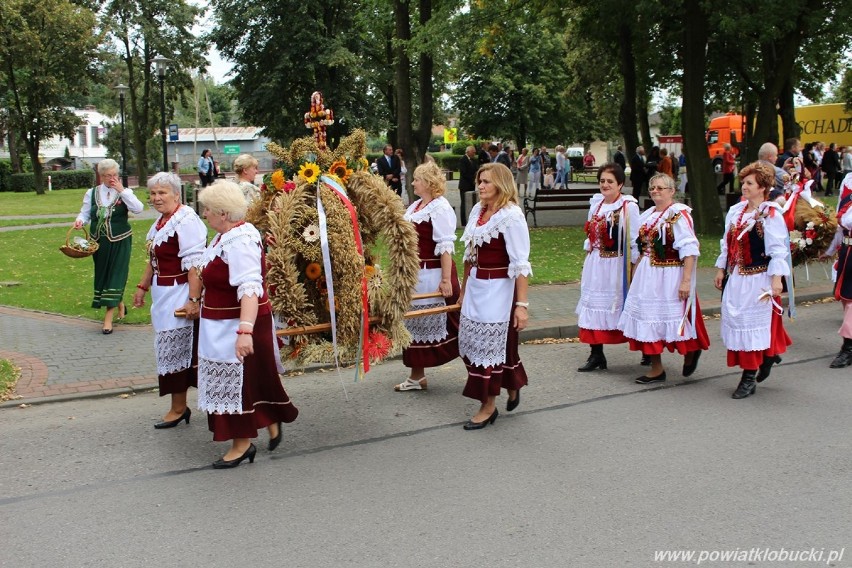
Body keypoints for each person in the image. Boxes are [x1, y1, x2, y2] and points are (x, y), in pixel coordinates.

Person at [197, 180, 299, 468]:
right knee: (249, 382)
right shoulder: (224, 237)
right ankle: (269, 421)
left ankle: (241, 445)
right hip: (218, 324)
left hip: (236, 323)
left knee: (240, 385)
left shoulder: (240, 241)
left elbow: (250, 289)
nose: (205, 214)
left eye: (208, 209)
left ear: (224, 213)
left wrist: (245, 331)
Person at [458, 163, 531, 429]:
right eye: (479, 181)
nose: (480, 186)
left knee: (488, 350)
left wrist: (521, 306)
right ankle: (512, 383)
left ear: (500, 184)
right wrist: (463, 289)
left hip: (499, 290)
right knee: (471, 345)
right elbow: (469, 254)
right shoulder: (478, 211)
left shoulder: (511, 216)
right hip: (476, 287)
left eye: (486, 181)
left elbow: (521, 264)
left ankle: (488, 406)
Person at [617, 173, 709, 383]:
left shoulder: (679, 214)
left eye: (660, 188)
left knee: (675, 319)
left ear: (671, 191)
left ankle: (691, 351)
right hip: (647, 274)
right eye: (652, 188)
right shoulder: (648, 215)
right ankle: (657, 368)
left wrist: (686, 281)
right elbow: (639, 248)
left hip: (670, 274)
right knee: (647, 318)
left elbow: (689, 250)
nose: (655, 191)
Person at [132, 173, 206, 428]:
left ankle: (179, 407)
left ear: (177, 194)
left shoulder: (186, 221)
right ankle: (179, 406)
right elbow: (154, 260)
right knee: (169, 351)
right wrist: (142, 287)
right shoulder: (163, 221)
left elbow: (195, 265)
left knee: (179, 352)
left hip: (179, 292)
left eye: (162, 193)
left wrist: (194, 300)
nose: (156, 198)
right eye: (153, 194)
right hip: (161, 294)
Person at [713, 161, 792, 399]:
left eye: (749, 183)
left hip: (759, 278)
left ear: (762, 187)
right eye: (743, 182)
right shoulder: (737, 211)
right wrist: (720, 269)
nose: (744, 186)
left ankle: (748, 377)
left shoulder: (770, 214)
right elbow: (726, 244)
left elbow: (778, 250)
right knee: (737, 321)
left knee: (751, 325)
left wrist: (777, 280)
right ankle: (767, 355)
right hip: (737, 276)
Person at [396, 162, 460, 391]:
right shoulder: (415, 206)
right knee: (414, 323)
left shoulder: (440, 208)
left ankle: (480, 366)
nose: (413, 183)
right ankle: (416, 377)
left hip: (433, 274)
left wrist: (445, 280)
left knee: (453, 325)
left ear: (429, 183)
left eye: (417, 179)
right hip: (416, 274)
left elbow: (445, 247)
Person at [575, 163, 640, 371]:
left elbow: (634, 240)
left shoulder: (629, 206)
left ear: (620, 184)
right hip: (596, 263)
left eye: (610, 181)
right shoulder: (597, 205)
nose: (605, 185)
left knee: (625, 307)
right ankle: (596, 354)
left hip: (617, 264)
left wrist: (634, 267)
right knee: (593, 304)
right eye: (602, 181)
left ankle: (647, 350)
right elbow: (590, 237)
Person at [74, 159, 144, 334]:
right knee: (104, 276)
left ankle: (108, 320)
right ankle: (120, 303)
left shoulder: (124, 192)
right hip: (99, 242)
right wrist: (80, 221)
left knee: (116, 276)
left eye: (114, 175)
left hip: (120, 239)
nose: (112, 178)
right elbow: (85, 213)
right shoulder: (92, 193)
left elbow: (139, 209)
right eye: (107, 176)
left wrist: (122, 190)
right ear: (101, 176)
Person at [823, 176, 852, 367]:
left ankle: (847, 348)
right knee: (846, 298)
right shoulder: (848, 185)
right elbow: (841, 227)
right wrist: (829, 249)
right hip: (848, 251)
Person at [458, 145, 479, 225]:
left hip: (471, 185)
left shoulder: (473, 160)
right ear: (468, 151)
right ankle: (463, 221)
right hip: (465, 185)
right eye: (473, 152)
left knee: (471, 202)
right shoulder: (463, 160)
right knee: (464, 202)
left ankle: (470, 219)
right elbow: (464, 173)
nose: (474, 153)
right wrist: (472, 180)